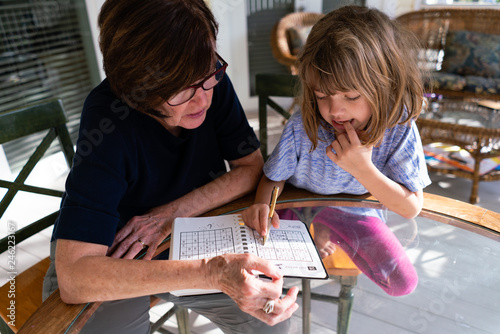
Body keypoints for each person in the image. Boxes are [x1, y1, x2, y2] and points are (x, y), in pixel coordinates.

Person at [42, 0, 298, 333]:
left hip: (199, 228)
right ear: (136, 89)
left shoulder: (208, 83)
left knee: (270, 318)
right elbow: (76, 277)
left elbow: (251, 168)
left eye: (210, 71)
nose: (204, 98)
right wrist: (212, 272)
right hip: (115, 249)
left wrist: (172, 215)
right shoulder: (106, 119)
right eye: (183, 88)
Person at [242, 5, 431, 296]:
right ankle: (322, 230)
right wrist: (262, 206)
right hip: (298, 207)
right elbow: (273, 178)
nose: (334, 109)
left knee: (402, 282)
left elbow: (410, 207)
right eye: (321, 95)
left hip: (355, 214)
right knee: (251, 273)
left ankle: (332, 229)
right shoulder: (303, 125)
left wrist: (362, 169)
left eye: (351, 96)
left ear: (386, 88)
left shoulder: (399, 127)